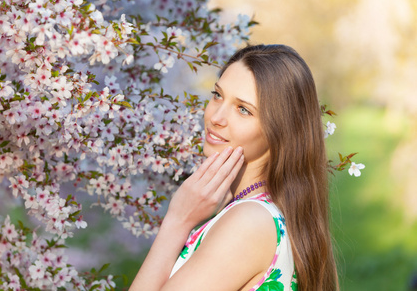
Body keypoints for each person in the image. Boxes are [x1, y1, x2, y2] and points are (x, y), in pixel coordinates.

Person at [130, 44, 339, 291]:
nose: (216, 117)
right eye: (217, 95)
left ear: (279, 131)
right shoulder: (264, 212)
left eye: (243, 110)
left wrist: (177, 221)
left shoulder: (248, 222)